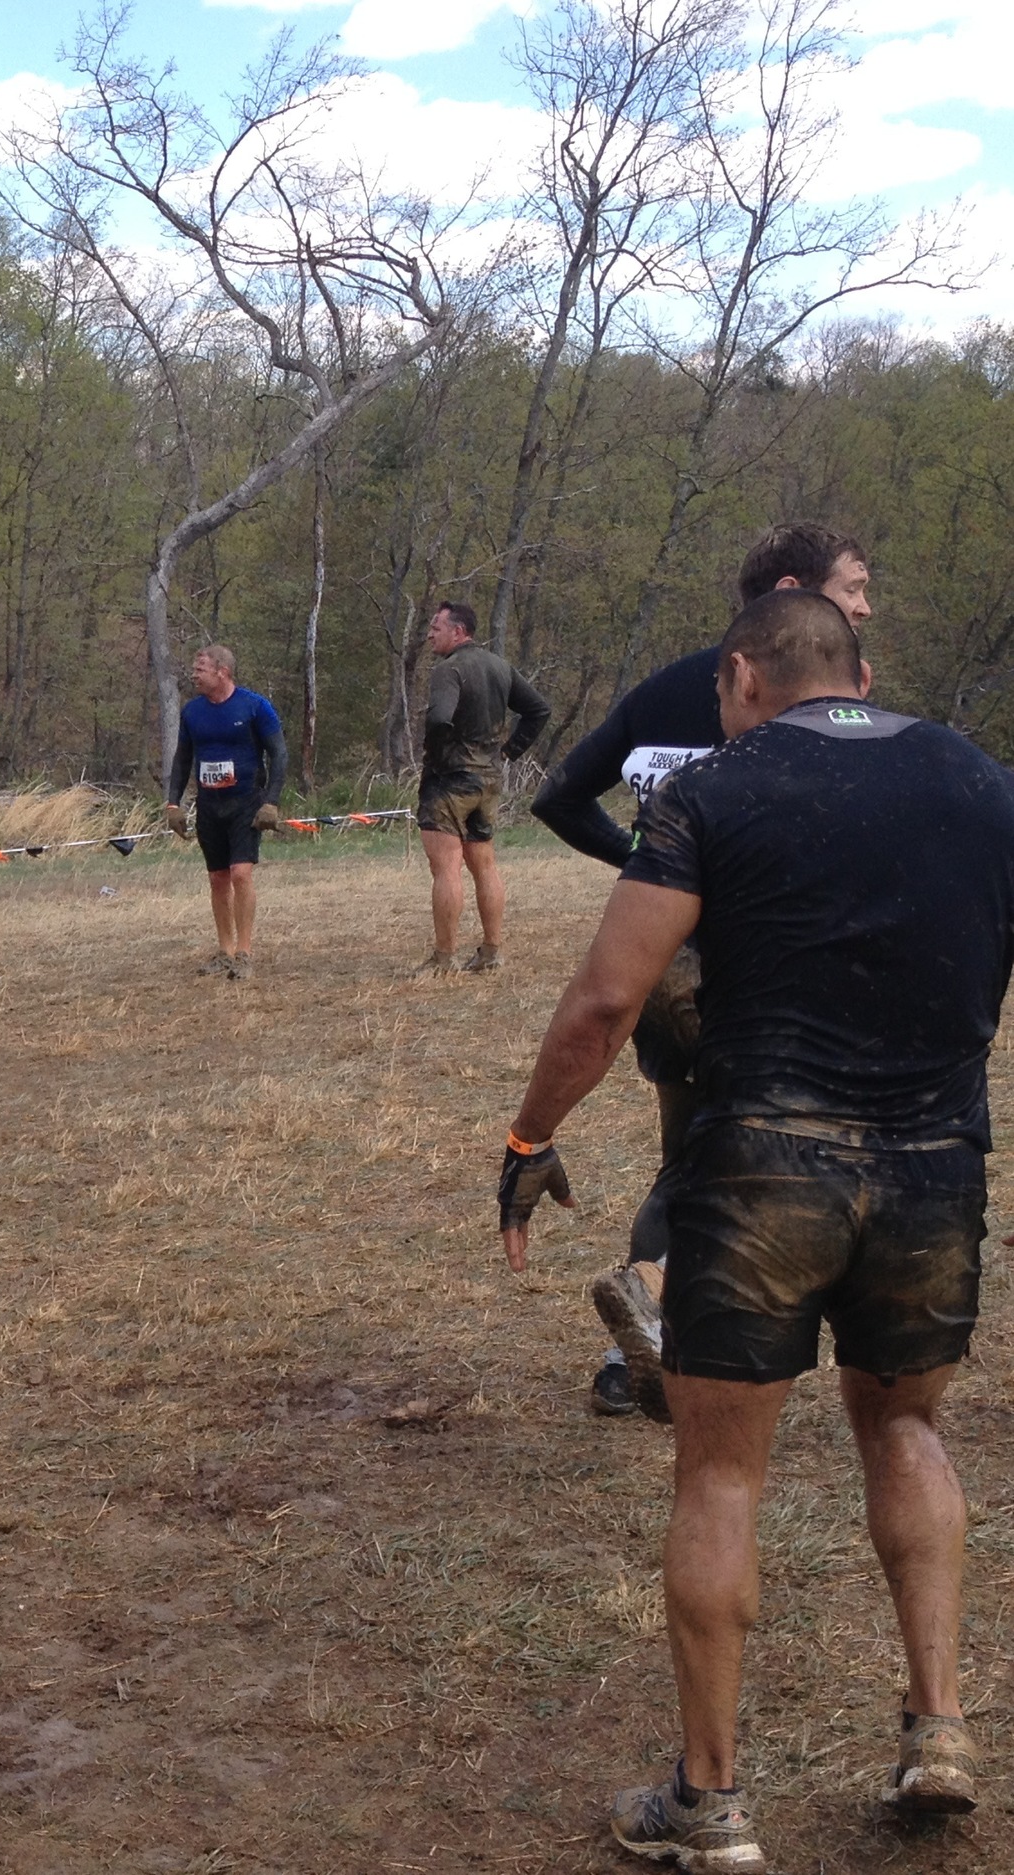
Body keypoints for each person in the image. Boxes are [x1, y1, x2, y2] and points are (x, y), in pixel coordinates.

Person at [498, 587, 1012, 1870]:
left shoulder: (711, 794)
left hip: (758, 1176)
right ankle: (939, 1728)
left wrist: (526, 1139)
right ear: (861, 671)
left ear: (742, 678)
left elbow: (604, 1002)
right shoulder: (977, 780)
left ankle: (711, 1802)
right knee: (904, 1424)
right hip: (934, 1168)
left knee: (721, 1473)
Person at [533, 522, 875, 1421]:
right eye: (854, 587)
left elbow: (558, 795)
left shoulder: (662, 690)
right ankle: (686, 1329)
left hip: (665, 966)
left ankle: (632, 1351)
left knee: (687, 1158)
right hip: (768, 973)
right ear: (797, 588)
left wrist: (651, 874)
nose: (865, 607)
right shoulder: (829, 713)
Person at [415, 600, 550, 975]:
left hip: (449, 782)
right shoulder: (499, 666)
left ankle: (444, 958)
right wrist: (510, 750)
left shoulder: (449, 669)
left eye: (436, 626)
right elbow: (539, 709)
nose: (430, 633)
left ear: (459, 632)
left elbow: (440, 718)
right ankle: (492, 951)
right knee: (485, 867)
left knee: (446, 869)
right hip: (489, 780)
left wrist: (438, 756)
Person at [160, 646, 287, 981]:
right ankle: (225, 951)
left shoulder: (255, 706)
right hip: (209, 805)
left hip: (246, 802)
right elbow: (182, 759)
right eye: (194, 667)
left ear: (223, 672)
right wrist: (173, 803)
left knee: (241, 873)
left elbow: (279, 754)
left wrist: (271, 801)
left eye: (201, 668)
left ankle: (245, 953)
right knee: (218, 878)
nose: (194, 673)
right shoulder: (192, 712)